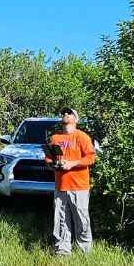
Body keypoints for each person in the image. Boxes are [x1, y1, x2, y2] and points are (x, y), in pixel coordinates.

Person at [45, 107, 94, 255]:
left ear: (76, 120)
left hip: (79, 186)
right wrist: (51, 165)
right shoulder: (55, 138)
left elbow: (90, 158)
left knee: (82, 219)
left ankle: (85, 250)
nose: (65, 115)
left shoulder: (82, 137)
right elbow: (49, 158)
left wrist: (72, 164)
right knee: (60, 220)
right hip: (61, 186)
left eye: (69, 113)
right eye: (63, 113)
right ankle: (63, 250)